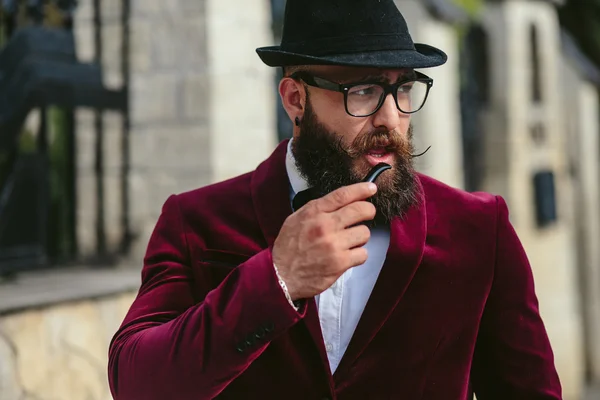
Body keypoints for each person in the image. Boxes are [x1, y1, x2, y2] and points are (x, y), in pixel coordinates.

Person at [108, 0, 562, 399]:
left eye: (402, 89)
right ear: (295, 99)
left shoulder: (480, 229)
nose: (391, 118)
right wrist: (276, 279)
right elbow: (136, 385)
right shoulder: (197, 220)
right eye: (362, 91)